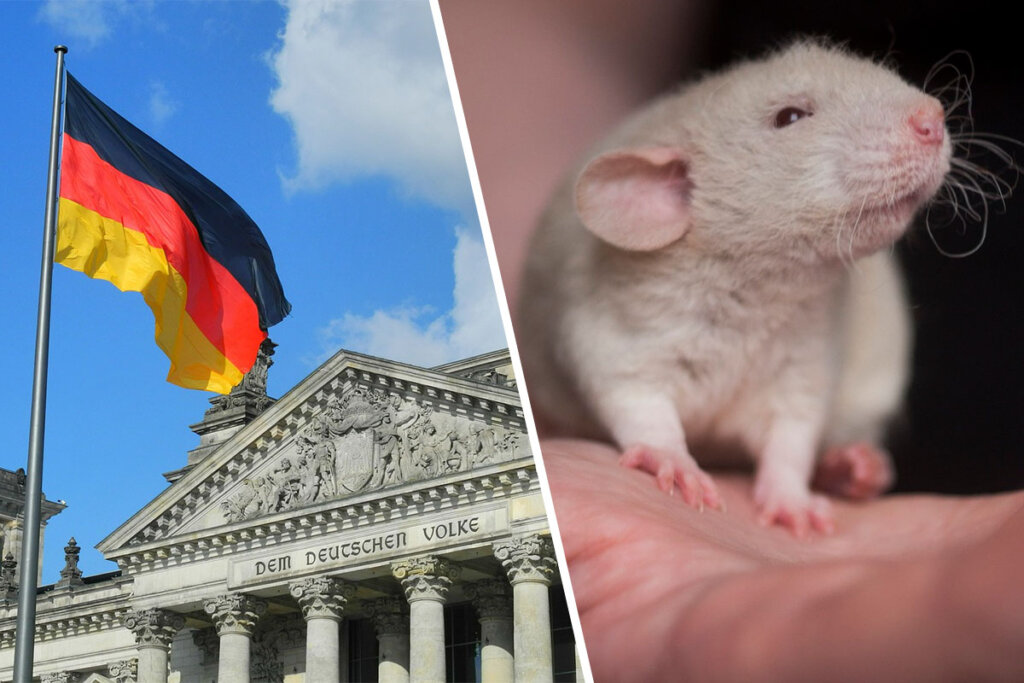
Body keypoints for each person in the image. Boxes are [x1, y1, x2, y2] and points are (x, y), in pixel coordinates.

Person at [440, 1, 1024, 679]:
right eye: (793, 118)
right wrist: (653, 440)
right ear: (673, 188)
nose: (931, 117)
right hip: (589, 416)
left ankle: (838, 451)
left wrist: (785, 478)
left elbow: (798, 383)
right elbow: (616, 359)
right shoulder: (639, 258)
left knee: (842, 353)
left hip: (962, 450)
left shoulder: (825, 285)